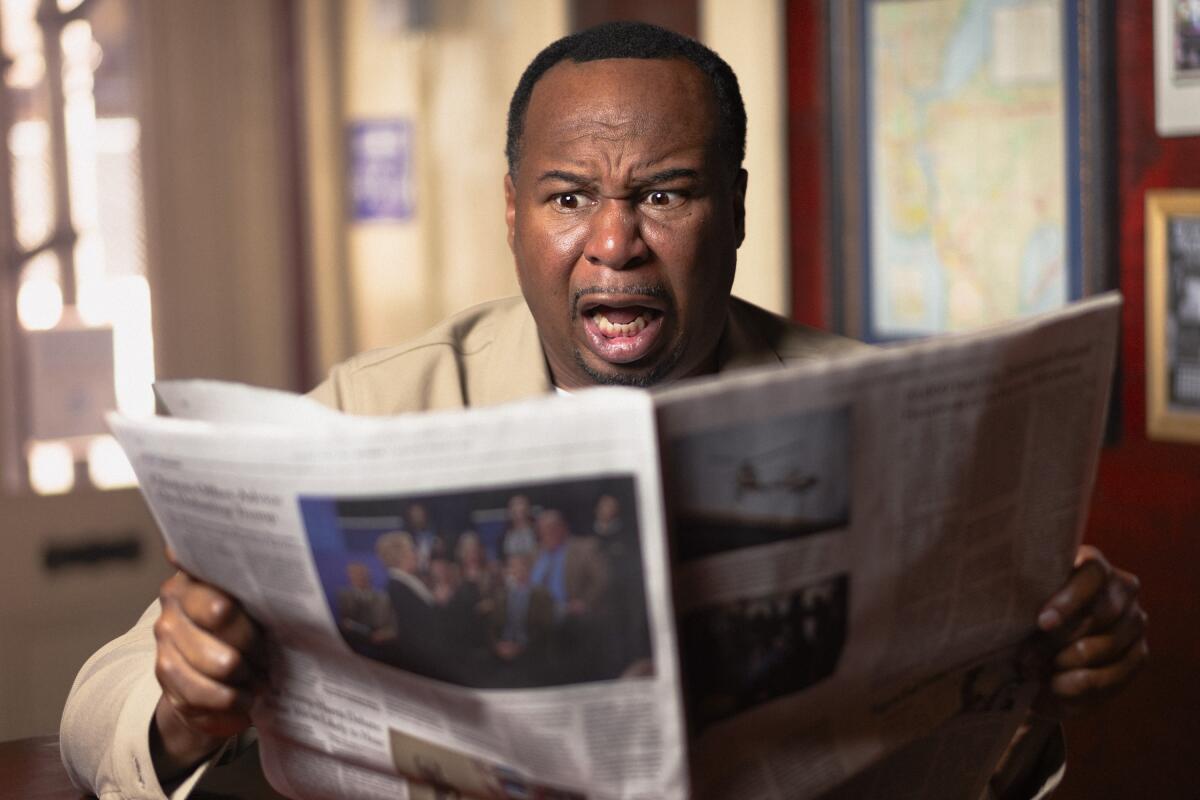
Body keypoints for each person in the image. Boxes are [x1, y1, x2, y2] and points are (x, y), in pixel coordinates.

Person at [60, 21, 1147, 800]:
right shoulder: (370, 407)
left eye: (664, 192)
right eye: (569, 196)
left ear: (735, 211)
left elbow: (999, 749)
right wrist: (178, 702)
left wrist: (1054, 662)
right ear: (513, 212)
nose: (615, 241)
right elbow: (94, 704)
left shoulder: (881, 415)